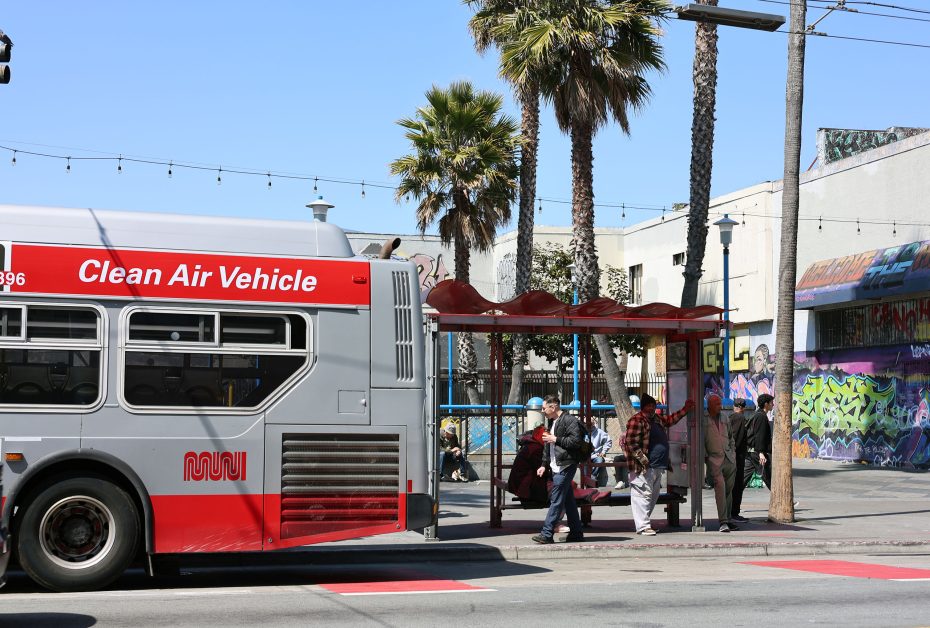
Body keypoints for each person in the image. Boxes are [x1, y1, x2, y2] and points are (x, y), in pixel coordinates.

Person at [623, 394, 695, 536]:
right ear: (643, 406)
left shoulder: (656, 419)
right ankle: (643, 526)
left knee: (652, 496)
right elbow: (631, 443)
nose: (651, 408)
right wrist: (643, 459)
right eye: (649, 405)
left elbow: (670, 420)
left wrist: (685, 410)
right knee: (642, 495)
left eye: (653, 405)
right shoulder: (636, 420)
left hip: (657, 466)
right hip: (642, 467)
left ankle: (644, 523)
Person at [531, 395, 586, 544]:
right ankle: (576, 533)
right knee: (568, 501)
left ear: (553, 407)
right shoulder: (552, 421)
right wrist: (544, 464)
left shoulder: (569, 420)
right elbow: (547, 445)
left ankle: (547, 533)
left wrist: (556, 439)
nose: (542, 411)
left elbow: (576, 441)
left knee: (556, 500)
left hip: (566, 465)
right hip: (557, 465)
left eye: (544, 408)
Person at [704, 394, 737, 532]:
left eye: (720, 403)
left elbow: (731, 437)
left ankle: (728, 519)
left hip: (729, 459)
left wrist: (733, 453)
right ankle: (723, 521)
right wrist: (706, 458)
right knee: (720, 489)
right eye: (717, 404)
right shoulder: (704, 420)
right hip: (714, 459)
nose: (720, 406)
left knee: (728, 491)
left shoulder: (725, 418)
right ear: (710, 405)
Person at [747, 394, 774, 490]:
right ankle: (782, 501)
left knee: (744, 477)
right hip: (758, 453)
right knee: (769, 477)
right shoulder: (761, 417)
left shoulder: (759, 414)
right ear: (766, 404)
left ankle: (731, 498)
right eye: (771, 403)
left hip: (753, 452)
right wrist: (761, 453)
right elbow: (759, 436)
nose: (773, 405)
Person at [728, 398, 750, 523]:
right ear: (743, 408)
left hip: (730, 455)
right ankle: (734, 513)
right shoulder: (741, 419)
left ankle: (731, 511)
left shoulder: (729, 417)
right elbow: (737, 438)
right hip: (737, 456)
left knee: (732, 484)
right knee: (737, 484)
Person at [586, 421, 612, 487]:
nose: (589, 426)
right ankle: (587, 478)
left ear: (593, 424)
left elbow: (608, 441)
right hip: (585, 455)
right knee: (583, 462)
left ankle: (592, 476)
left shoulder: (599, 432)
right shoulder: (582, 432)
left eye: (590, 424)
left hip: (596, 455)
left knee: (600, 460)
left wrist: (603, 452)